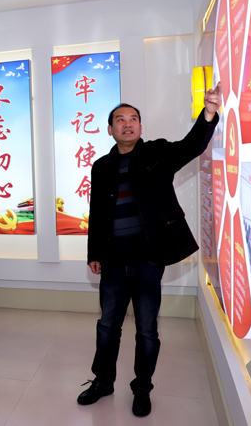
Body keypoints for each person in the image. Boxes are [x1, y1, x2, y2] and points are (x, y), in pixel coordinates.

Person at [77, 84, 222, 417]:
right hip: (113, 260)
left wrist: (209, 113)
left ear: (140, 127)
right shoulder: (101, 166)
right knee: (107, 327)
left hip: (148, 259)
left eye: (133, 119)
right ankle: (103, 381)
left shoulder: (157, 153)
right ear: (110, 129)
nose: (127, 124)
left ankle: (142, 388)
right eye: (120, 120)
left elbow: (192, 145)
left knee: (146, 329)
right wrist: (93, 252)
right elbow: (96, 212)